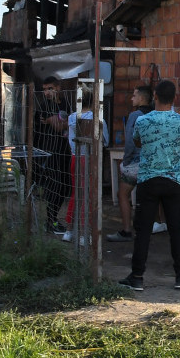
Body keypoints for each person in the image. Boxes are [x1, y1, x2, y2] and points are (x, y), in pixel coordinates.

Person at [119, 79, 180, 291]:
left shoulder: (142, 121)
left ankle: (137, 276)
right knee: (176, 229)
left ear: (155, 98)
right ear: (174, 98)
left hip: (148, 180)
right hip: (174, 181)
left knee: (143, 230)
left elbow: (138, 142)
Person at [108, 85, 164, 242]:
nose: (132, 98)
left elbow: (131, 143)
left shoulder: (135, 116)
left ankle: (126, 230)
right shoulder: (156, 115)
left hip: (137, 163)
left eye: (134, 96)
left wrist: (125, 162)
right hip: (154, 163)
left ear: (141, 98)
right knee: (153, 195)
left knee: (123, 194)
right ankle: (158, 223)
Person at [62, 85, 109, 243]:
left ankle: (69, 231)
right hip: (90, 158)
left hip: (75, 157)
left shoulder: (72, 117)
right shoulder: (97, 118)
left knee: (76, 194)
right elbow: (105, 140)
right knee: (88, 196)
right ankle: (84, 234)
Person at [33, 76, 71, 234]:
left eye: (50, 88)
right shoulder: (44, 106)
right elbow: (58, 126)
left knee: (64, 186)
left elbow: (68, 122)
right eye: (44, 89)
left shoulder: (65, 103)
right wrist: (55, 121)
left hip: (64, 150)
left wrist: (60, 121)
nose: (46, 92)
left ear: (58, 88)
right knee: (56, 186)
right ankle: (51, 221)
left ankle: (53, 219)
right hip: (50, 151)